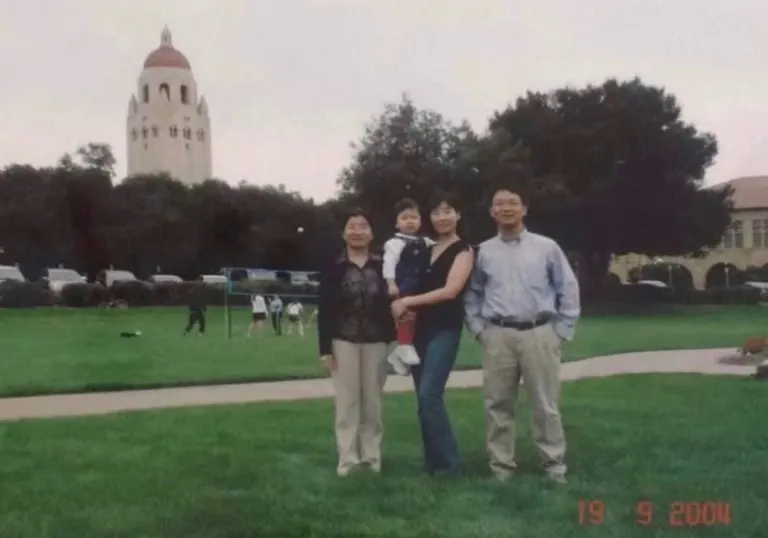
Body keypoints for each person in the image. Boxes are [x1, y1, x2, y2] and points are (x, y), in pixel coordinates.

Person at [464, 183, 580, 484]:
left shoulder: (546, 247)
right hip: (497, 334)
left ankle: (553, 465)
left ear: (524, 209)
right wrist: (479, 329)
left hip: (539, 333)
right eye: (499, 203)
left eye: (512, 202)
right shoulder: (484, 251)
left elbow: (566, 286)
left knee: (545, 403)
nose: (506, 208)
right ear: (492, 211)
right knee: (497, 404)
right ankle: (501, 467)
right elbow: (473, 292)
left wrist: (562, 330)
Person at [390, 192, 474, 476]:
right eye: (437, 212)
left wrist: (408, 302)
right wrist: (397, 302)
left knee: (429, 395)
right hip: (417, 330)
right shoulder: (423, 248)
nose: (442, 217)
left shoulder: (464, 250)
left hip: (445, 329)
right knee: (422, 399)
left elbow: (450, 291)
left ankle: (449, 465)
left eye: (448, 210)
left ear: (458, 215)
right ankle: (433, 463)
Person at [318, 208, 395, 477]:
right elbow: (325, 307)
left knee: (372, 402)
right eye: (352, 226)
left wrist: (395, 339)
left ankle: (372, 457)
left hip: (377, 342)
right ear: (344, 233)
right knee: (347, 402)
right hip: (343, 340)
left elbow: (394, 301)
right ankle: (348, 459)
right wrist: (325, 349)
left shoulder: (384, 265)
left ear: (372, 233)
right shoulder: (334, 266)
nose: (357, 231)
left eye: (363, 226)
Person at [382, 198, 434, 376]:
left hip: (421, 287)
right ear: (396, 223)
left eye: (414, 217)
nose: (410, 221)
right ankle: (403, 346)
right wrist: (391, 283)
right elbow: (388, 264)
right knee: (406, 317)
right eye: (405, 218)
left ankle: (400, 354)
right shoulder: (394, 243)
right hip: (403, 285)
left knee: (417, 320)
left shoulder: (426, 241)